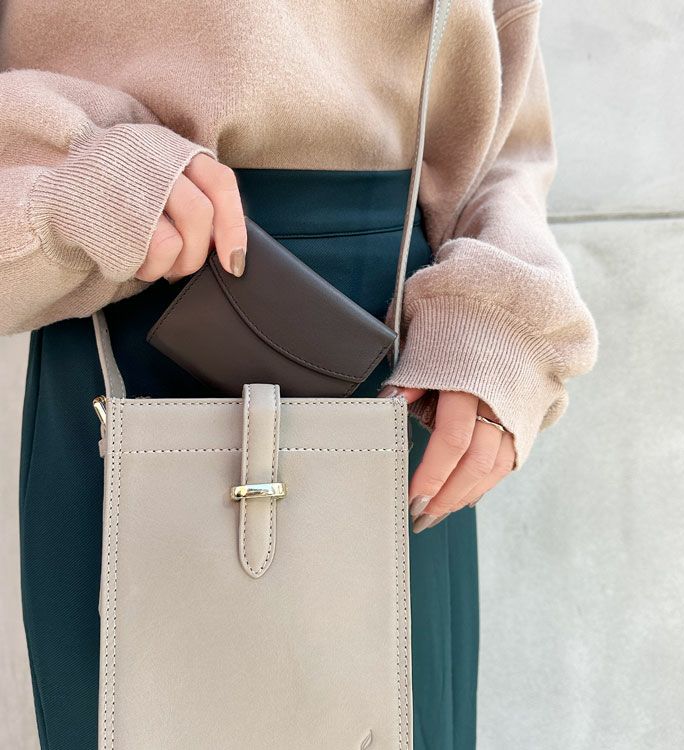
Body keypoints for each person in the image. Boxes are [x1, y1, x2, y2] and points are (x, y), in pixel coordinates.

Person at [0, 1, 598, 748]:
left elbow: (505, 127)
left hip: (409, 358)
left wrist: (500, 319)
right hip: (133, 305)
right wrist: (72, 182)